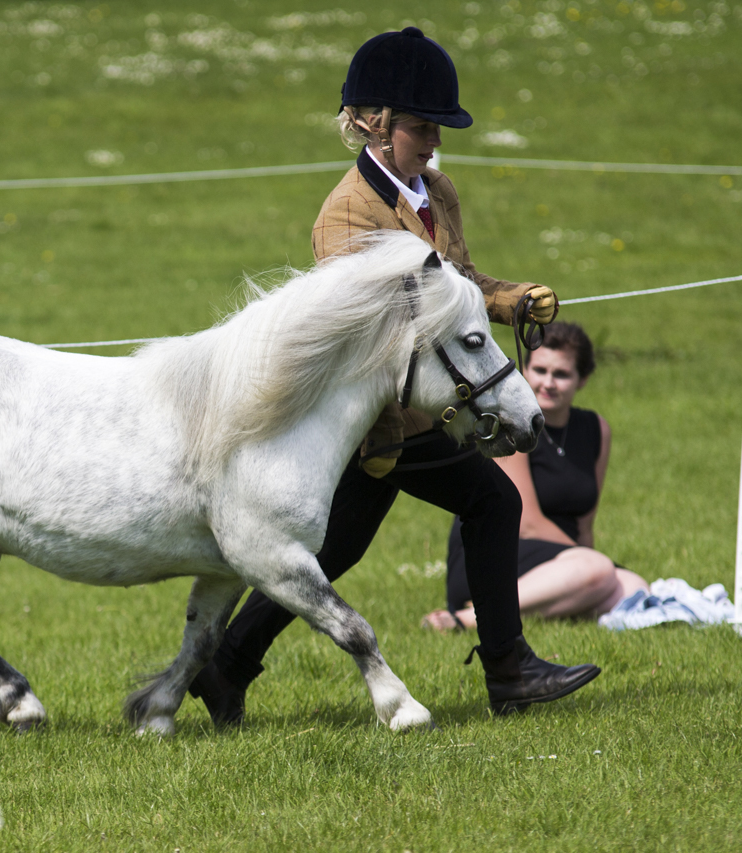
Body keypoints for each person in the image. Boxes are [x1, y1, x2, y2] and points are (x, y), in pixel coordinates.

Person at [188, 26, 601, 724]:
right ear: (375, 126)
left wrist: (511, 299)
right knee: (487, 504)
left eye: (436, 127)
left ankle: (224, 671)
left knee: (339, 548)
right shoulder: (346, 215)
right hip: (375, 421)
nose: (433, 140)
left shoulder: (436, 190)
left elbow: (459, 288)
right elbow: (360, 334)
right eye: (420, 126)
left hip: (422, 411)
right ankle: (509, 672)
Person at [423, 323, 648, 631]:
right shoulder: (509, 426)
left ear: (582, 380)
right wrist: (589, 562)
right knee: (598, 570)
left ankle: (562, 597)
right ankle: (465, 619)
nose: (548, 383)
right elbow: (527, 522)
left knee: (635, 587)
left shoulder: (596, 429)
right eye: (539, 370)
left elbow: (584, 522)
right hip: (501, 549)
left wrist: (589, 563)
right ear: (524, 371)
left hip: (564, 562)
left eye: (562, 374)